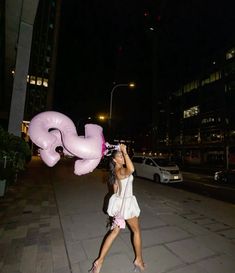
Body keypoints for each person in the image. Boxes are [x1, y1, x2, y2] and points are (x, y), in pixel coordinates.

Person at [90, 144, 145, 273]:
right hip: (126, 206)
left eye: (122, 155)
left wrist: (114, 212)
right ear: (114, 160)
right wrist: (125, 151)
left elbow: (115, 191)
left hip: (120, 205)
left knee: (114, 232)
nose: (123, 157)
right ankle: (138, 260)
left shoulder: (115, 171)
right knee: (136, 232)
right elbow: (131, 169)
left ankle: (99, 261)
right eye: (120, 156)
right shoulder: (121, 170)